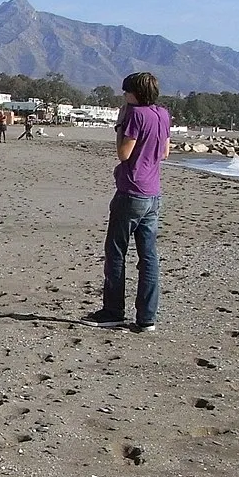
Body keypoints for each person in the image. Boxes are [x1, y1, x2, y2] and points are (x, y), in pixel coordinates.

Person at [82, 72, 170, 333]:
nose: (123, 96)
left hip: (131, 191)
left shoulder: (135, 115)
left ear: (135, 93)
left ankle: (113, 311)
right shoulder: (163, 114)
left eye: (126, 92)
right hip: (153, 193)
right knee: (149, 257)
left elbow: (123, 153)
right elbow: (165, 152)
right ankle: (147, 317)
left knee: (116, 252)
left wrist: (120, 125)